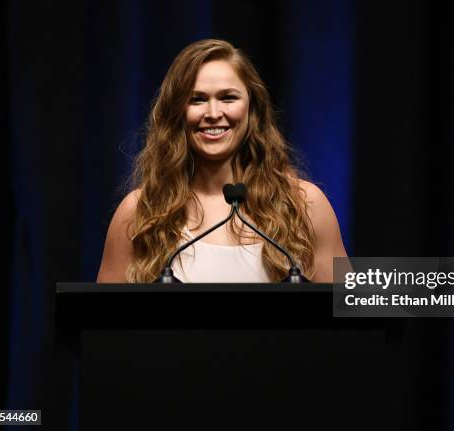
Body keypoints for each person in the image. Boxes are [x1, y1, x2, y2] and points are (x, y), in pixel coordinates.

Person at [96, 39, 347, 283]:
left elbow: (358, 309)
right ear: (177, 112)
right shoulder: (141, 210)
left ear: (253, 109)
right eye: (197, 99)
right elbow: (100, 321)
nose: (214, 114)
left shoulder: (304, 204)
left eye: (228, 98)